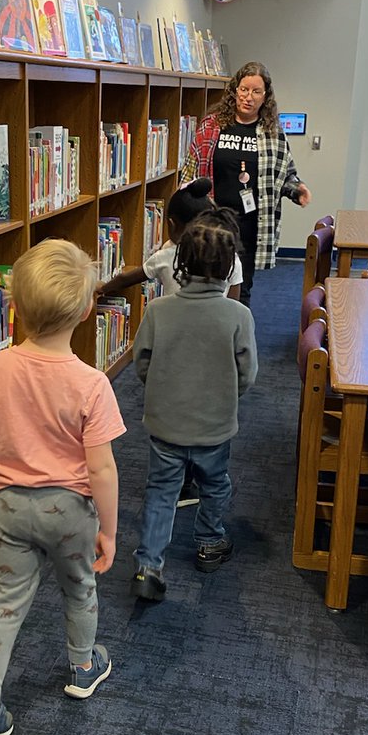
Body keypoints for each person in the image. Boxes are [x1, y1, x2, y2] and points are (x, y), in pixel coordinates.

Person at [0, 239, 126, 735]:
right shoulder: (91, 383)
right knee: (79, 587)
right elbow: (101, 467)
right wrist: (109, 530)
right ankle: (82, 667)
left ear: (13, 307)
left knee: (5, 600)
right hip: (71, 512)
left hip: (11, 507)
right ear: (86, 308)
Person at [130, 219, 258, 601]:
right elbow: (247, 373)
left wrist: (164, 391)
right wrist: (224, 396)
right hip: (214, 425)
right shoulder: (238, 316)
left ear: (180, 263)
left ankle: (149, 564)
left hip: (165, 423)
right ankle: (209, 542)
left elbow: (141, 363)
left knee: (161, 490)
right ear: (228, 267)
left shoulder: (158, 310)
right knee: (215, 484)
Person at [180, 61, 312, 304]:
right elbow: (190, 171)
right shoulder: (212, 125)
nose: (248, 97)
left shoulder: (272, 133)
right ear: (234, 91)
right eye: (243, 90)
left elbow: (285, 175)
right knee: (206, 281)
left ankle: (238, 338)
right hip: (213, 220)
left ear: (265, 97)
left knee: (241, 286)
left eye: (256, 92)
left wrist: (297, 191)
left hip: (250, 224)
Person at [98, 178, 243, 301]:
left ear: (171, 225)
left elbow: (125, 279)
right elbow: (234, 302)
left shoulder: (166, 255)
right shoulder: (230, 258)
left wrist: (101, 288)